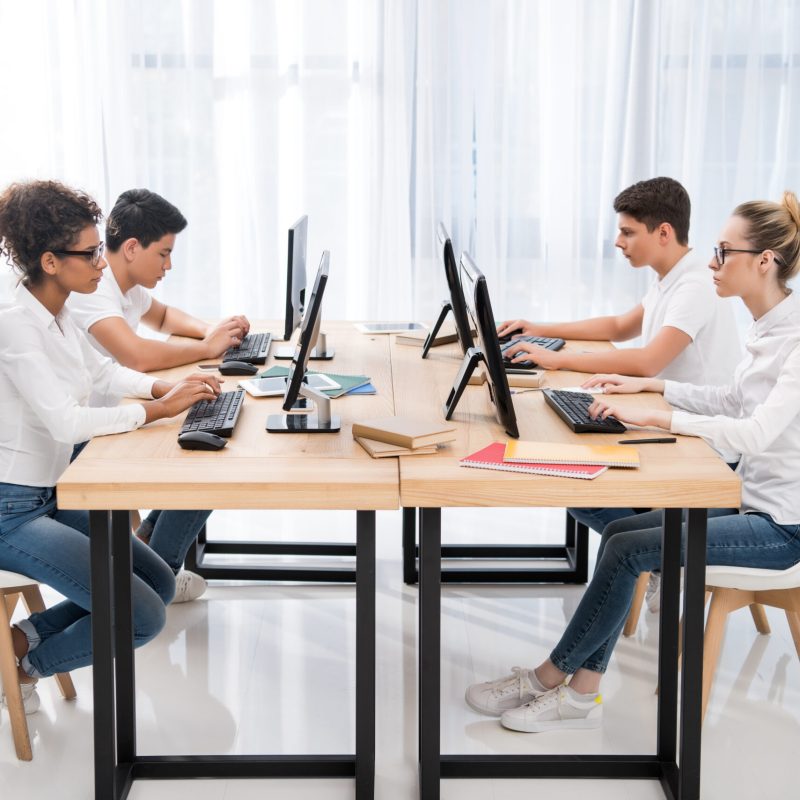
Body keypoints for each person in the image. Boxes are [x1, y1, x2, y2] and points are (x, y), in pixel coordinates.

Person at [466, 192, 800, 733]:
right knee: (622, 533)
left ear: (764, 261)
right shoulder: (766, 325)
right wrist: (652, 387)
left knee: (627, 549)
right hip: (746, 499)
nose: (713, 262)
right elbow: (732, 399)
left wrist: (657, 416)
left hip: (782, 527)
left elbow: (756, 431)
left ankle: (552, 678)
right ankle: (581, 688)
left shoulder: (796, 338)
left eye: (723, 251)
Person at [0, 180, 218, 713]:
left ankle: (21, 640)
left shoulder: (59, 309)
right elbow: (65, 423)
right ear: (50, 261)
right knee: (143, 616)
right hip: (10, 512)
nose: (103, 262)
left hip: (49, 496)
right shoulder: (15, 324)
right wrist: (158, 410)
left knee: (158, 581)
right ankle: (23, 670)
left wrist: (167, 389)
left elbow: (101, 373)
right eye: (91, 252)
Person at [500, 177, 743, 610]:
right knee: (572, 469)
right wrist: (539, 328)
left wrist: (556, 359)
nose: (618, 242)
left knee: (578, 483)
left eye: (628, 232)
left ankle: (662, 556)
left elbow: (648, 361)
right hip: (669, 418)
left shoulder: (695, 286)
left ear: (663, 232)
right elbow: (618, 326)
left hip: (702, 447)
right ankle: (659, 552)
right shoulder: (671, 277)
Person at [67, 189, 248, 587]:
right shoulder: (92, 289)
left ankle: (149, 556)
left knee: (206, 437)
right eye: (164, 253)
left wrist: (214, 333)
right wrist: (206, 348)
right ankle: (154, 582)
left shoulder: (126, 284)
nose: (169, 265)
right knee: (206, 461)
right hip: (85, 439)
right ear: (133, 248)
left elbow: (163, 317)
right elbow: (135, 355)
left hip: (113, 414)